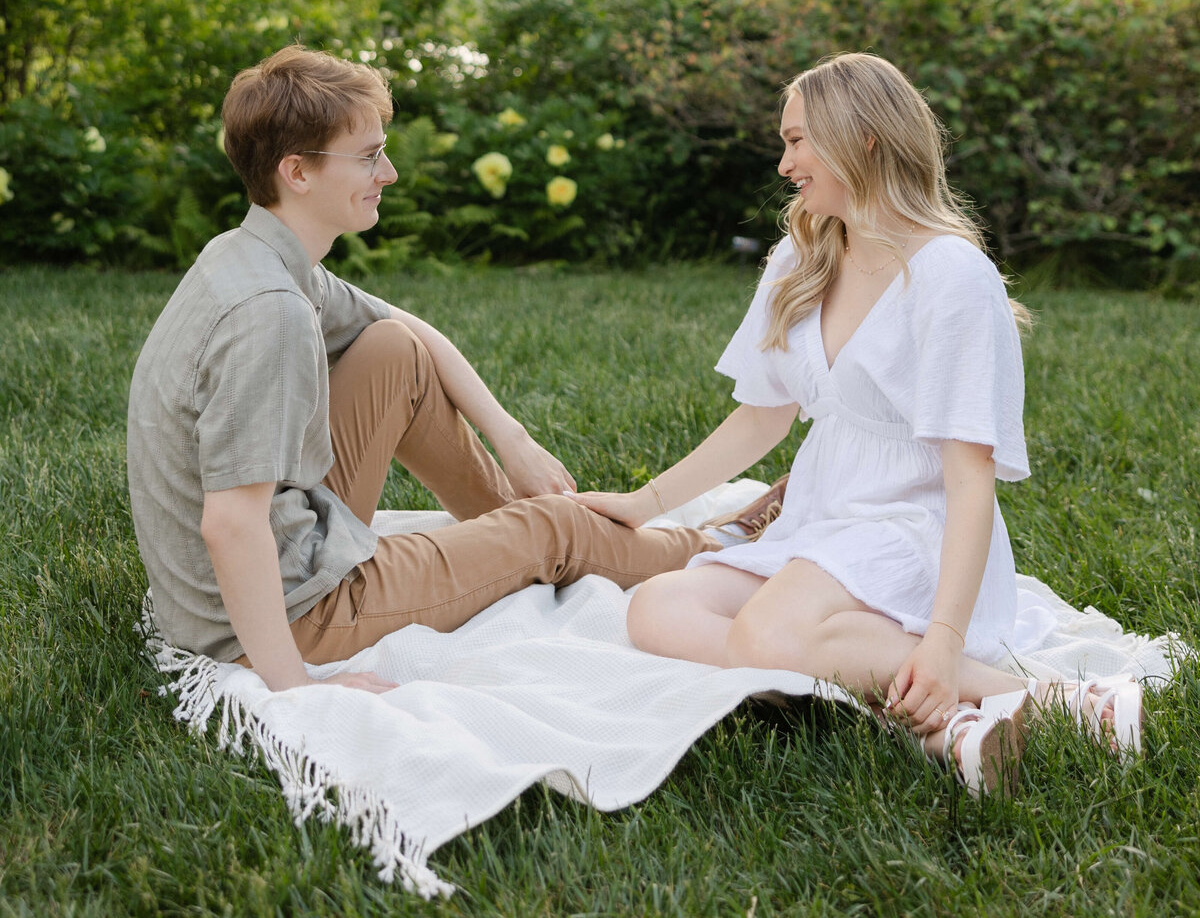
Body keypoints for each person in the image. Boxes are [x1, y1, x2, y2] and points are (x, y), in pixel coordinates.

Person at [571, 53, 1143, 795]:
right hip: (824, 520)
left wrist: (940, 641)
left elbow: (970, 483)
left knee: (766, 634)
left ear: (863, 138)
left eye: (798, 140)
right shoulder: (801, 253)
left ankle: (1048, 700)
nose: (785, 164)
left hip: (916, 527)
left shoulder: (949, 275)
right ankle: (935, 724)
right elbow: (761, 419)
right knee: (659, 606)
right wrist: (644, 505)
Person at [127, 45, 714, 695]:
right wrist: (296, 688)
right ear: (297, 172)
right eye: (370, 156)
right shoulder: (271, 316)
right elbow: (231, 523)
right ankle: (719, 550)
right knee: (554, 527)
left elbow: (413, 332)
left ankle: (519, 532)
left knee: (392, 348)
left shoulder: (251, 254)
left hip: (273, 558)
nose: (392, 173)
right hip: (297, 614)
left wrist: (511, 439)